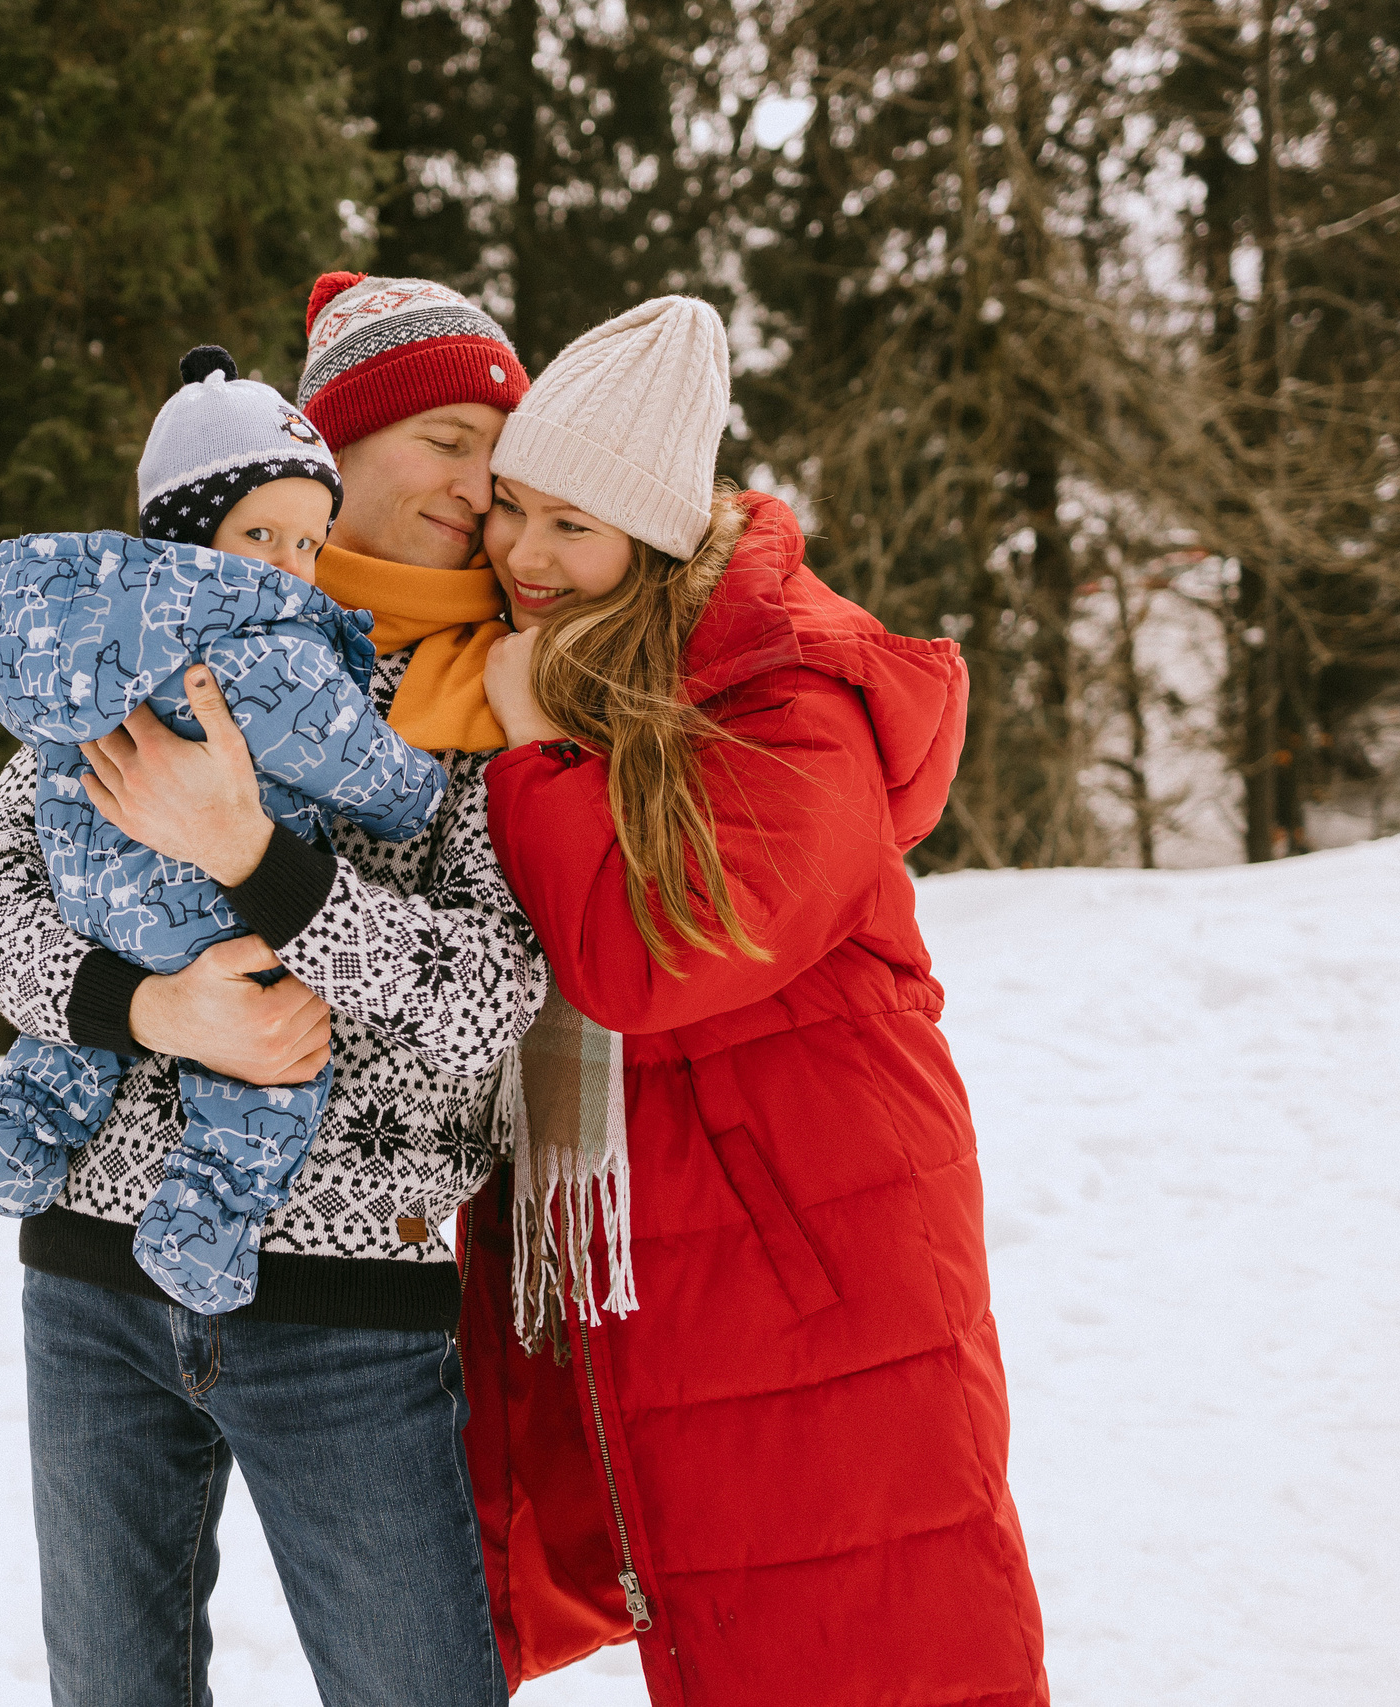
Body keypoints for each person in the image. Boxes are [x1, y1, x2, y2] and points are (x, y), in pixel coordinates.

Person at [0, 273, 538, 1706]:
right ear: (342, 438)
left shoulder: (493, 693)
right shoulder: (153, 631)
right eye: (446, 438)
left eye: (500, 458)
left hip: (352, 1304)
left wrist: (260, 860)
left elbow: (488, 993)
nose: (478, 481)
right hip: (93, 1275)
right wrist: (142, 1010)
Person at [463, 296, 1050, 1705]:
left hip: (819, 1246)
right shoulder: (612, 658)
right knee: (742, 1633)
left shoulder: (788, 697)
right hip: (704, 1250)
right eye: (512, 509)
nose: (527, 557)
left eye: (571, 526)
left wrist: (538, 741)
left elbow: (644, 955)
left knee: (882, 1627)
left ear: (656, 536)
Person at [0, 344, 447, 1318]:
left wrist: (113, 998)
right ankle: (202, 1226)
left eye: (309, 544)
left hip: (96, 904)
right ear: (182, 531)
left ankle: (9, 1139)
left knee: (64, 1056)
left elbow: (479, 993)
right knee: (268, 1083)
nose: (291, 571)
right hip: (205, 924)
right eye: (262, 534)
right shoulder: (260, 646)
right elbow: (355, 764)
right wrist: (408, 792)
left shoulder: (70, 635)